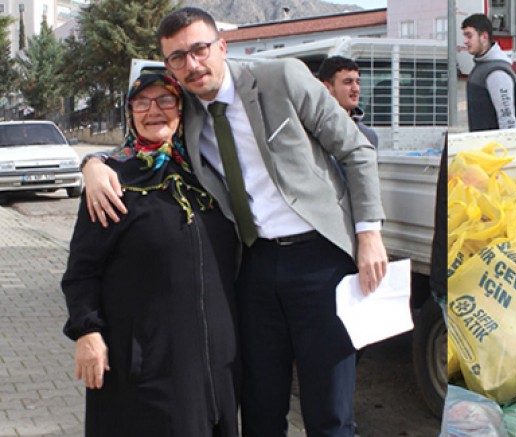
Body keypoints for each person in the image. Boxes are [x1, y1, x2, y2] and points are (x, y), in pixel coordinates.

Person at [82, 7, 388, 437]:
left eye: (200, 49)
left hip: (322, 260)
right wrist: (91, 163)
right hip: (254, 269)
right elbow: (140, 139)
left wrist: (369, 234)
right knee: (260, 412)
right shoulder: (185, 108)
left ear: (222, 46)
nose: (192, 64)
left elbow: (356, 150)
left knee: (330, 414)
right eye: (177, 58)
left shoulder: (282, 79)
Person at [62, 73, 239, 436]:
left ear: (181, 108)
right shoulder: (114, 181)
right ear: (130, 112)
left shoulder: (206, 173)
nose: (153, 110)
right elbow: (82, 270)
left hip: (216, 359)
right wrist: (87, 332)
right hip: (146, 359)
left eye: (165, 100)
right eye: (142, 103)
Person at [462, 13, 516, 131]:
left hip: (494, 147)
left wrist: (506, 146)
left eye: (469, 36)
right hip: (486, 146)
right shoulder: (484, 66)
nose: (465, 41)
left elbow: (507, 119)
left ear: (484, 37)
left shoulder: (497, 73)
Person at [318, 56, 378, 146]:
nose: (355, 89)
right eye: (348, 82)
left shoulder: (368, 135)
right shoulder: (312, 133)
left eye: (358, 82)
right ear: (327, 87)